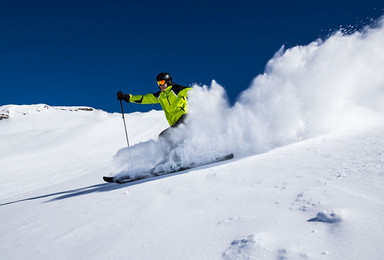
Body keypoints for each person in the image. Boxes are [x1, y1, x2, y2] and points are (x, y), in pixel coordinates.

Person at [117, 72, 192, 149]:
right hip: (175, 123)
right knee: (168, 139)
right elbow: (144, 99)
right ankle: (180, 155)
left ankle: (175, 156)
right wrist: (127, 97)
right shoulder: (160, 96)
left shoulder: (176, 90)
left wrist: (200, 94)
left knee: (165, 136)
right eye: (158, 83)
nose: (160, 85)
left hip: (185, 119)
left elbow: (190, 91)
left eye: (162, 82)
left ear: (168, 81)